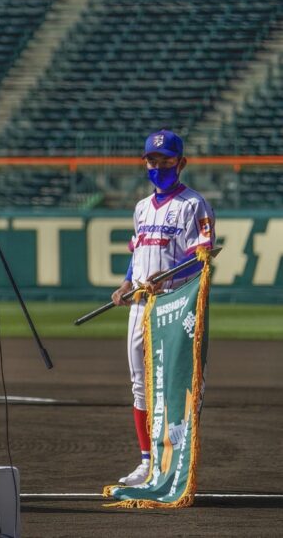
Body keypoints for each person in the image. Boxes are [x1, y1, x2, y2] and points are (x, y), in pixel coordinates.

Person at [111, 129, 215, 486]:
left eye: (166, 160)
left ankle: (175, 460)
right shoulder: (141, 207)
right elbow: (137, 253)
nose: (158, 166)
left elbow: (201, 258)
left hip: (175, 304)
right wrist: (127, 282)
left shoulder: (193, 204)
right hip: (141, 305)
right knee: (140, 384)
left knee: (175, 384)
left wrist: (168, 275)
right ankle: (147, 461)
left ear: (181, 163)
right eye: (152, 160)